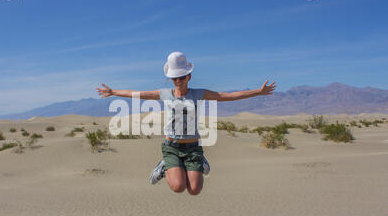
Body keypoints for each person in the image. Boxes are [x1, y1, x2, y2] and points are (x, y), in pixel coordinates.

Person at [96, 51, 276, 195]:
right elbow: (136, 93)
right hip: (172, 146)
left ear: (189, 76)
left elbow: (228, 97)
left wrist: (258, 92)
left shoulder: (199, 94)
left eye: (182, 77)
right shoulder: (164, 94)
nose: (178, 81)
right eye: (175, 78)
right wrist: (113, 92)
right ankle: (164, 165)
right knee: (178, 187)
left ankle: (200, 161)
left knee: (195, 190)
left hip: (193, 147)